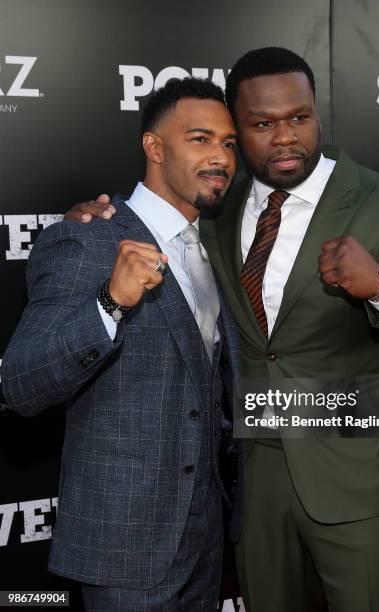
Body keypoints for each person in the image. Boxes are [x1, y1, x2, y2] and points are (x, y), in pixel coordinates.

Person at [64, 48, 379, 612]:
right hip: (254, 493)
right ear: (235, 129)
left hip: (359, 488)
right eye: (262, 124)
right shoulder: (215, 203)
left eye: (300, 118)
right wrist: (94, 217)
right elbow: (152, 212)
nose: (286, 138)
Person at [1, 78, 242, 612]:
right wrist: (110, 303)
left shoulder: (213, 248)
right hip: (123, 543)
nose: (220, 157)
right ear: (154, 148)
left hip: (204, 535)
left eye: (228, 143)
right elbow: (19, 384)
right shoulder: (88, 237)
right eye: (200, 139)